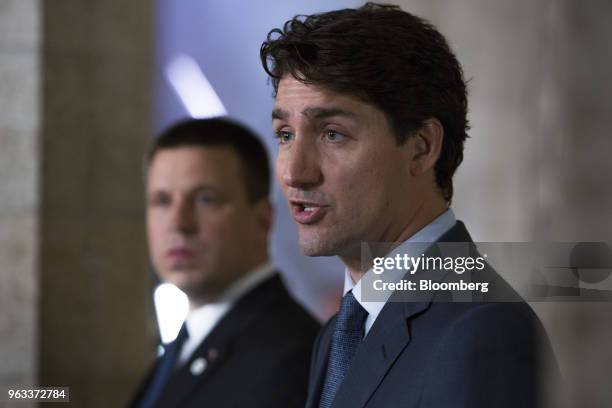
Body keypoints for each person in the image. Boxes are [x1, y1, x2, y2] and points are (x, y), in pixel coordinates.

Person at [261, 3, 557, 408]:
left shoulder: (485, 332)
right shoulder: (338, 334)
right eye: (285, 134)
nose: (295, 172)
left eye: (332, 134)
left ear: (421, 147)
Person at [130, 118, 319, 408]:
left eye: (206, 199)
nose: (179, 224)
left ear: (262, 220)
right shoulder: (184, 343)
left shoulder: (290, 358)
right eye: (162, 201)